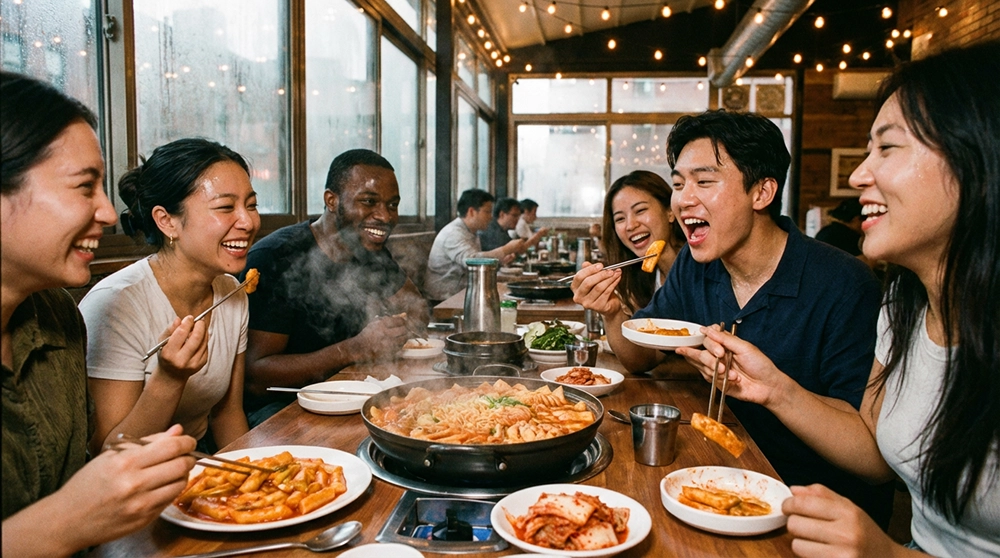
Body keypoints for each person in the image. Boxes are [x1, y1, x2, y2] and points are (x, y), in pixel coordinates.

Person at [698, 41, 1000, 557]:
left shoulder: (845, 283)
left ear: (978, 157)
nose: (859, 175)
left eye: (887, 148)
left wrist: (889, 555)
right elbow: (876, 453)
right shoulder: (904, 307)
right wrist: (771, 387)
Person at [572, 110, 893, 526]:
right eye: (678, 183)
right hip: (711, 477)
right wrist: (613, 311)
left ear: (761, 192)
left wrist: (775, 389)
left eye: (704, 181)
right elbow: (640, 358)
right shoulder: (695, 264)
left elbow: (870, 456)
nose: (683, 200)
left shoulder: (844, 283)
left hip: (808, 513)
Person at [1, 71, 196, 557]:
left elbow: (96, 460)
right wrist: (63, 523)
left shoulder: (56, 316)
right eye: (85, 187)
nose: (109, 213)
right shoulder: (106, 299)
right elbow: (72, 509)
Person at [79, 138, 257, 456]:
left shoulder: (233, 292)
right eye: (226, 207)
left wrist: (258, 483)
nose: (248, 222)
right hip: (129, 480)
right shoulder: (115, 304)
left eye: (251, 205)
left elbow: (227, 414)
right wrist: (170, 377)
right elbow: (110, 451)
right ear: (167, 221)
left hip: (199, 461)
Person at [240, 149, 428, 424]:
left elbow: (417, 309)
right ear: (331, 200)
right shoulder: (277, 257)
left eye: (392, 204)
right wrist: (355, 348)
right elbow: (256, 377)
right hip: (277, 409)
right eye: (369, 201)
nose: (385, 217)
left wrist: (390, 328)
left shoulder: (369, 250)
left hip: (350, 391)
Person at [597, 170, 686, 312]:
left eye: (640, 210)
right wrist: (609, 312)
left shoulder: (704, 267)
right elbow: (626, 335)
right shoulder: (634, 280)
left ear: (670, 212)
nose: (630, 225)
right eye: (620, 218)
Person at [424, 189, 525, 302]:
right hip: (444, 299)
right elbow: (472, 261)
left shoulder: (471, 232)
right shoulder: (453, 233)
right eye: (487, 212)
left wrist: (500, 262)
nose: (491, 217)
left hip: (463, 293)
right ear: (471, 211)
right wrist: (507, 249)